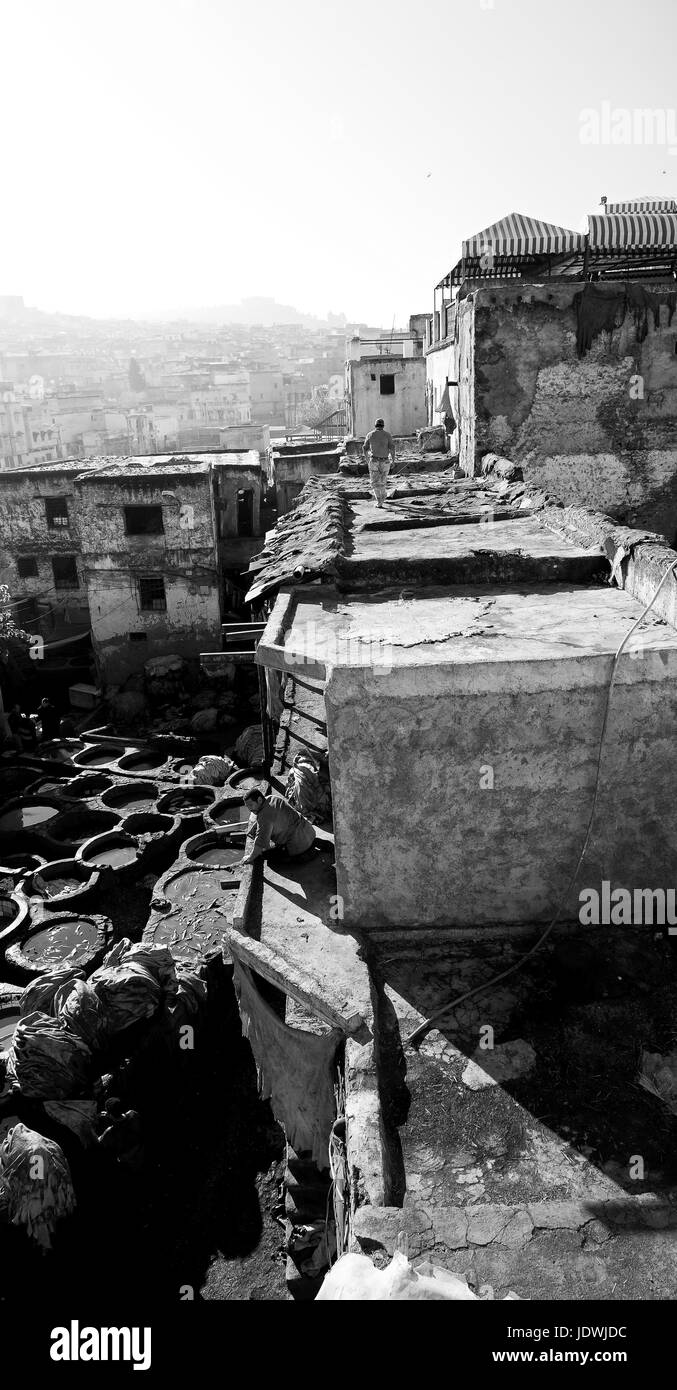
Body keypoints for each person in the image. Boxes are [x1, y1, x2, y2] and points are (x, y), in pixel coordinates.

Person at [239, 787, 316, 865]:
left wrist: (250, 858)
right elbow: (269, 817)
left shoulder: (264, 816)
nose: (249, 809)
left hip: (299, 845)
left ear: (259, 800)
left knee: (265, 854)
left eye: (250, 805)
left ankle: (296, 858)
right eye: (247, 806)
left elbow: (260, 843)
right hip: (310, 833)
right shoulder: (272, 798)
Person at [362, 417, 396, 507]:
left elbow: (364, 448)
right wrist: (393, 460)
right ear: (383, 426)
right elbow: (392, 448)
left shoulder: (370, 435)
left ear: (375, 425)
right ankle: (383, 496)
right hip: (385, 461)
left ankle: (379, 501)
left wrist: (366, 459)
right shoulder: (387, 435)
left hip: (374, 460)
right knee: (383, 481)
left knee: (374, 482)